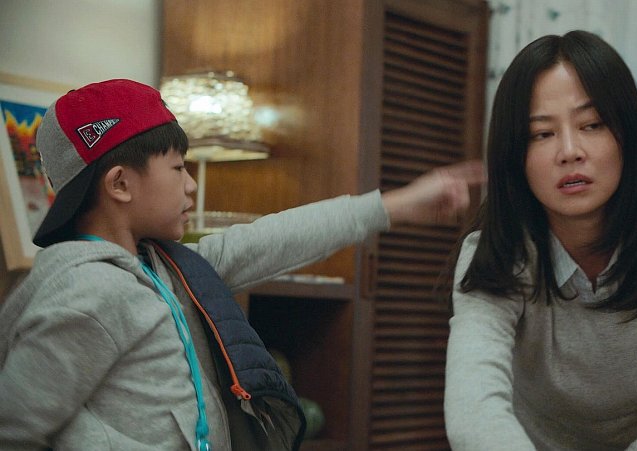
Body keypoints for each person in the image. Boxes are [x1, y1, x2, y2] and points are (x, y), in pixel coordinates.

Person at [0, 79, 484, 450]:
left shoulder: (167, 269)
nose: (191, 184)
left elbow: (272, 240)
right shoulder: (87, 294)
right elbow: (15, 428)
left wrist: (395, 206)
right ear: (121, 184)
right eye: (178, 168)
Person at [443, 31, 637, 450]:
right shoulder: (496, 252)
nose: (569, 151)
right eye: (541, 134)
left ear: (627, 133)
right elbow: (474, 413)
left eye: (592, 124)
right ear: (514, 156)